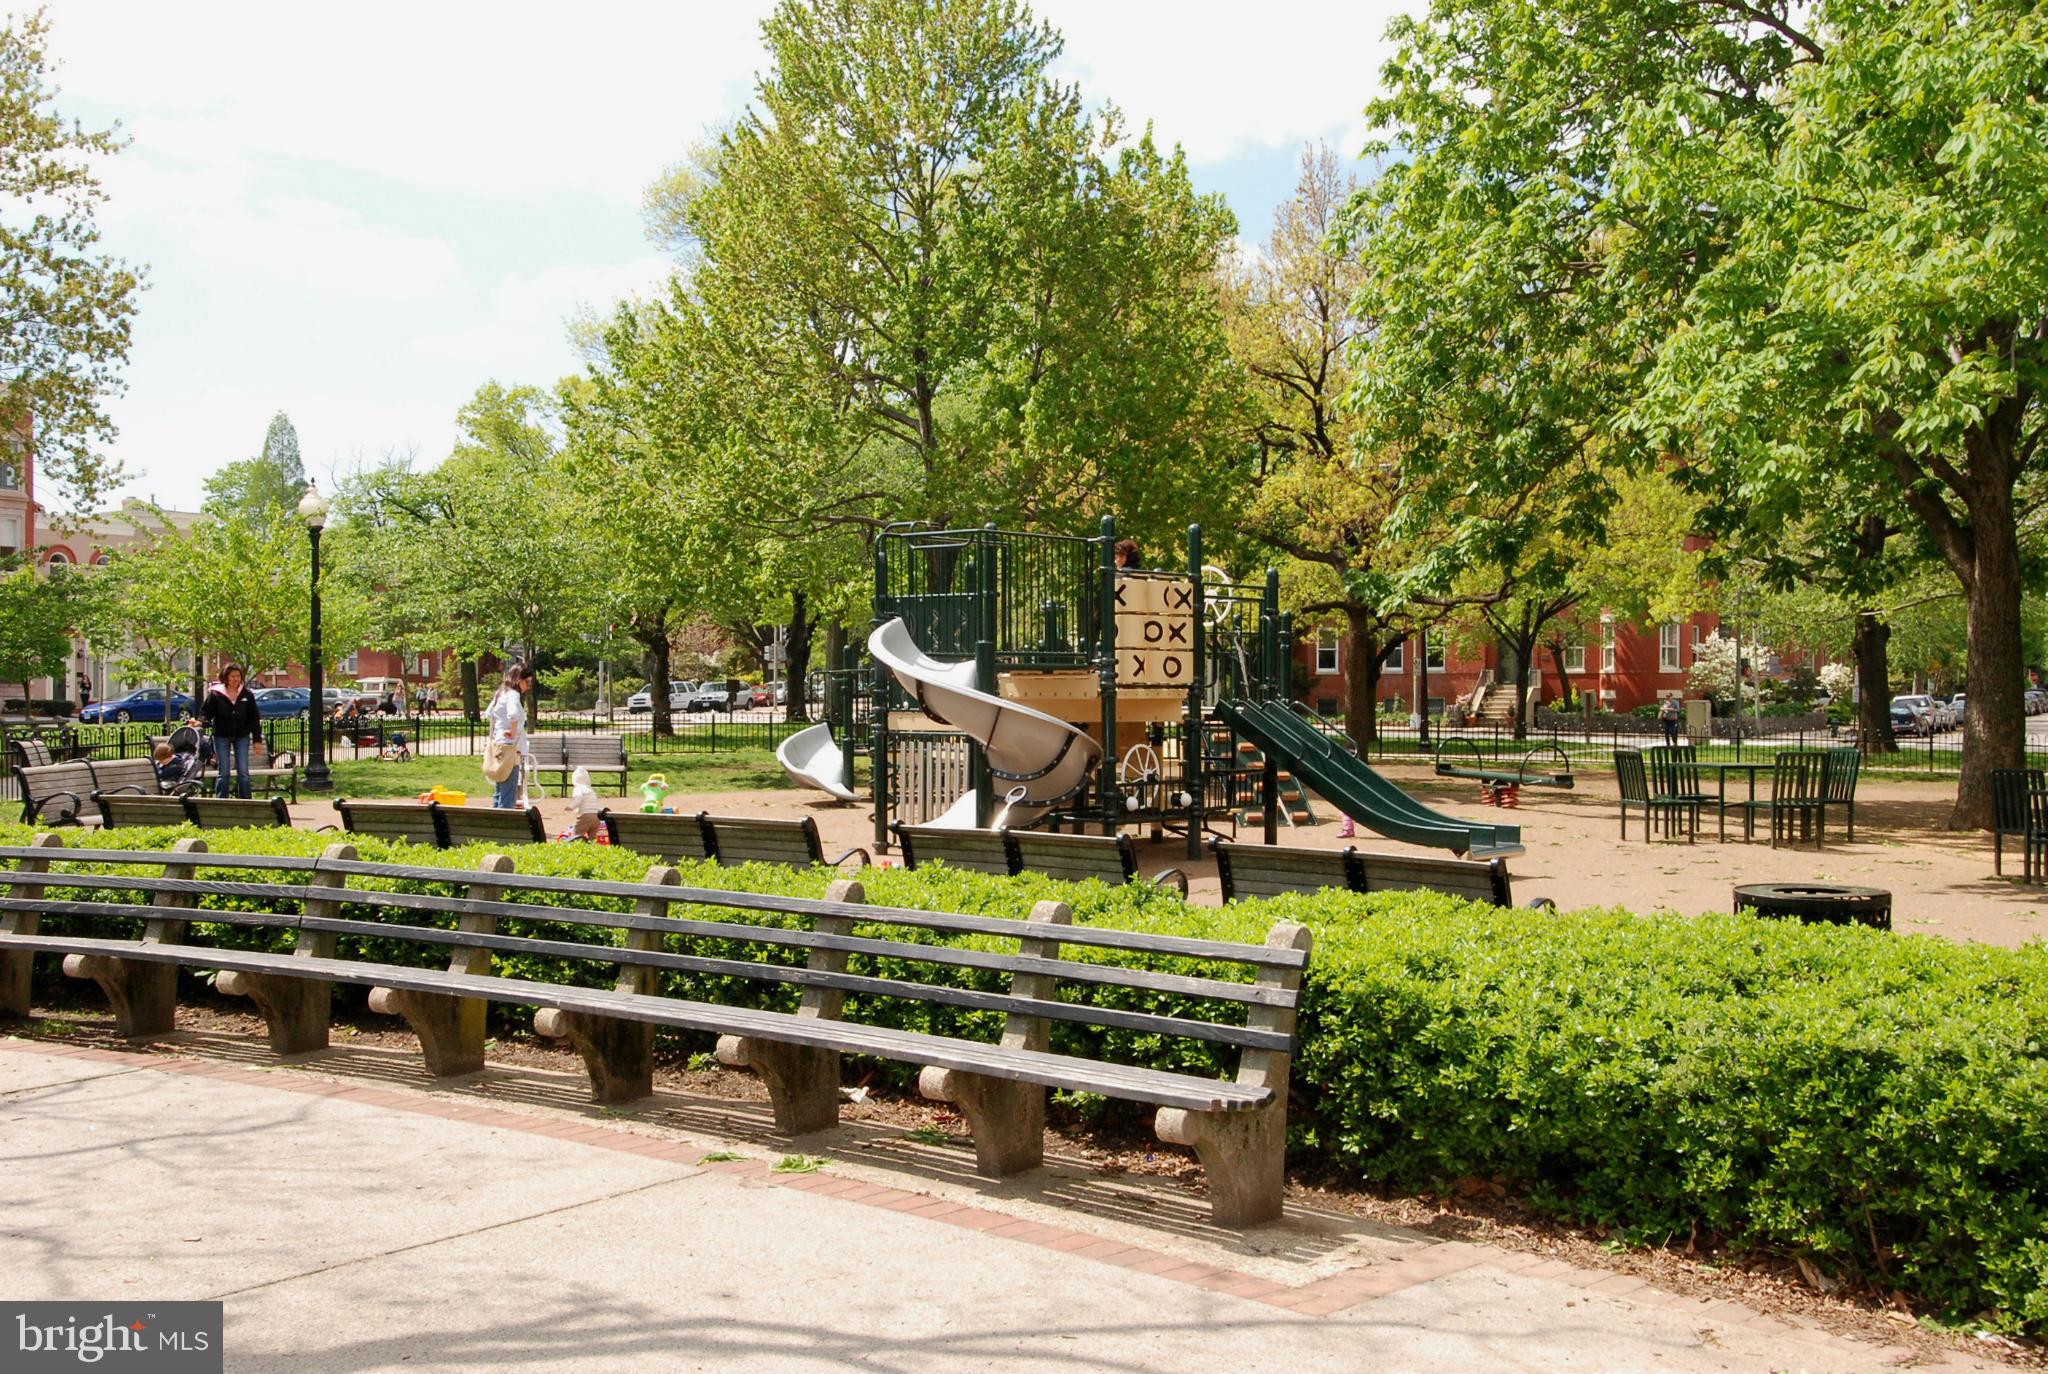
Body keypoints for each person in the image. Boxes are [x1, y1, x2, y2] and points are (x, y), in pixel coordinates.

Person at [201, 663, 261, 798]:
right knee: (224, 772)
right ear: (226, 677)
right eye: (232, 676)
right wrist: (201, 721)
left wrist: (257, 740)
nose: (236, 679)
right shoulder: (216, 694)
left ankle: (246, 801)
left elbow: (254, 718)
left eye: (238, 676)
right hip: (221, 735)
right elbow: (205, 713)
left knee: (243, 772)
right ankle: (221, 801)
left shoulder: (247, 694)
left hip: (242, 736)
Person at [486, 662, 534, 809]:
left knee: (499, 791)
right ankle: (504, 827)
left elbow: (489, 713)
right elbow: (513, 715)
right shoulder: (513, 695)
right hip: (511, 749)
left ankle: (494, 828)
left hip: (499, 746)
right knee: (508, 794)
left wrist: (500, 730)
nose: (528, 686)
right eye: (527, 682)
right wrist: (513, 731)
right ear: (519, 680)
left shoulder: (501, 692)